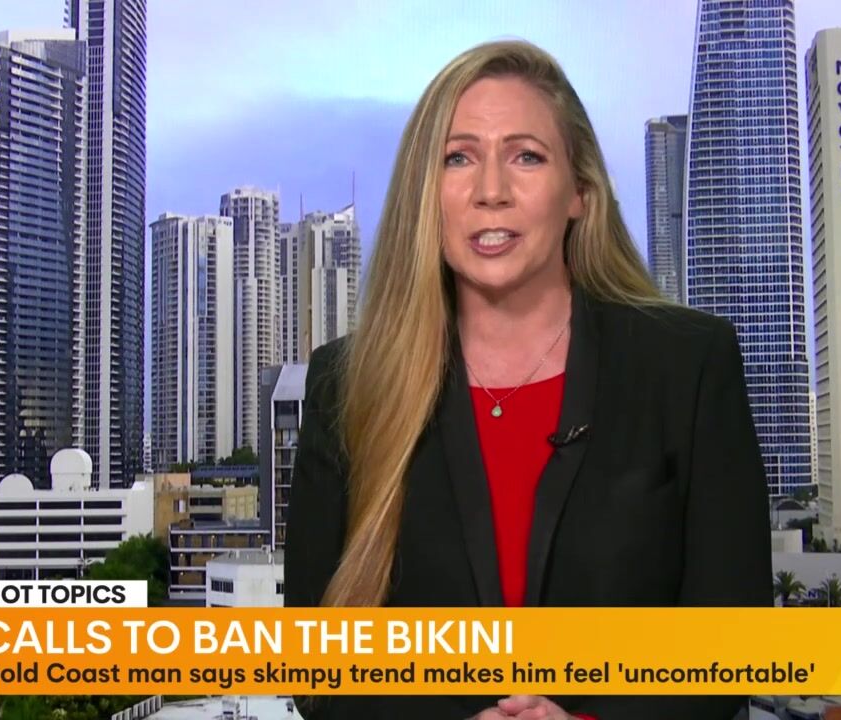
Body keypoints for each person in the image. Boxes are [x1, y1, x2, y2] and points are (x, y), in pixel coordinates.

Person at [283, 39, 773, 720]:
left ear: (579, 193)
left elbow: (732, 646)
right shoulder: (346, 384)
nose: (491, 191)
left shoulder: (687, 364)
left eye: (526, 157)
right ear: (426, 195)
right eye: (458, 158)